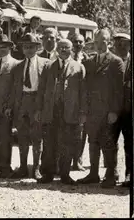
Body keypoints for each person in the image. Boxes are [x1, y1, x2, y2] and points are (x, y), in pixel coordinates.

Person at [77, 29, 124, 188]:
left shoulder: (116, 62)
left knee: (108, 143)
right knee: (93, 142)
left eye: (103, 41)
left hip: (107, 111)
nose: (99, 45)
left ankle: (111, 175)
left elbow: (119, 90)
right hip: (92, 112)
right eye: (96, 42)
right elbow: (84, 88)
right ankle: (93, 174)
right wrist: (84, 111)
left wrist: (114, 111)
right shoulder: (89, 62)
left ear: (109, 42)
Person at [36, 39, 87, 185]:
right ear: (57, 49)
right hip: (51, 111)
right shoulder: (48, 66)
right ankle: (48, 174)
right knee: (49, 143)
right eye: (61, 47)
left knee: (67, 144)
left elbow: (83, 92)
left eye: (67, 47)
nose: (64, 50)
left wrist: (83, 112)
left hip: (70, 112)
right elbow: (41, 89)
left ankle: (65, 174)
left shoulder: (79, 67)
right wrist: (39, 109)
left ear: (71, 49)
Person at [9, 34, 51, 179]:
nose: (28, 50)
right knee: (22, 136)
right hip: (22, 103)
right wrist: (12, 107)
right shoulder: (18, 66)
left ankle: (36, 169)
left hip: (37, 102)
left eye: (31, 47)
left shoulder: (46, 64)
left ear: (37, 48)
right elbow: (15, 89)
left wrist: (42, 107)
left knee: (37, 137)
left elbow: (47, 89)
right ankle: (22, 167)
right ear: (22, 49)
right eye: (26, 47)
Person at [0, 34, 20, 178]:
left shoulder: (16, 64)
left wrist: (10, 105)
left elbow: (15, 88)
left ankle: (7, 166)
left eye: (4, 47)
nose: (1, 50)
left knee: (6, 137)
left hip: (7, 107)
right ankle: (0, 164)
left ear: (10, 47)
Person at [112, 32, 131, 187]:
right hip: (113, 109)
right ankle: (112, 173)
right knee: (111, 141)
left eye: (124, 43)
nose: (121, 47)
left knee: (130, 143)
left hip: (129, 110)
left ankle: (129, 175)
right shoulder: (111, 61)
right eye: (118, 44)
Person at [70, 32, 90, 171]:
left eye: (80, 42)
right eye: (75, 42)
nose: (78, 44)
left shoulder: (88, 60)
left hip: (83, 99)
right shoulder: (66, 57)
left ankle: (77, 160)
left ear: (84, 44)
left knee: (81, 131)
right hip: (68, 99)